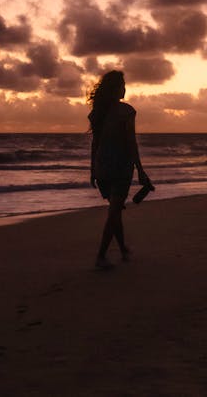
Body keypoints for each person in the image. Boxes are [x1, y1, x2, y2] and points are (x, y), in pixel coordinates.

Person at [88, 70, 150, 269]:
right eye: (123, 85)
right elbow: (131, 143)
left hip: (102, 167)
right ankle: (101, 257)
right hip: (121, 167)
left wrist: (92, 169)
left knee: (115, 210)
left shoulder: (98, 112)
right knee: (114, 211)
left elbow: (94, 143)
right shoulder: (127, 111)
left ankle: (123, 250)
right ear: (116, 89)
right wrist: (140, 170)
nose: (125, 88)